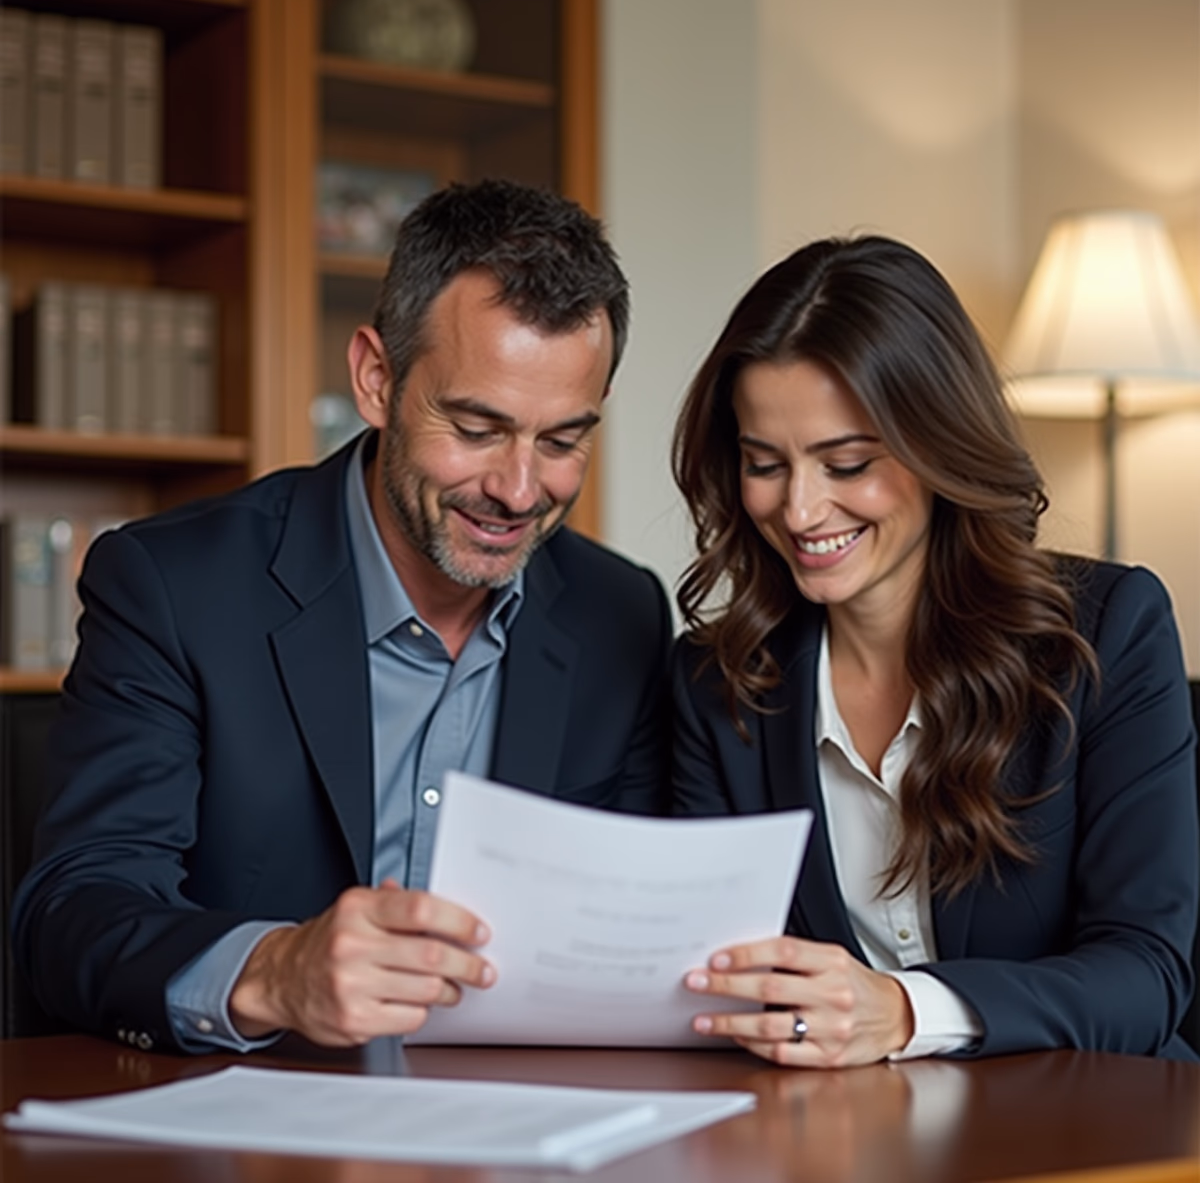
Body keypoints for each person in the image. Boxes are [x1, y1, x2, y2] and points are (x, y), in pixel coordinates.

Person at [13, 180, 673, 1054]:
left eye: (561, 441)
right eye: (476, 428)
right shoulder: (172, 586)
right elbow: (73, 913)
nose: (520, 491)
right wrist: (276, 971)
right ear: (376, 379)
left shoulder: (618, 614)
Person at [670, 234, 1198, 1065]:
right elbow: (702, 977)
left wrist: (906, 1012)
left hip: (1097, 1135)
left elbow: (1148, 974)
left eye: (846, 464)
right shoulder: (716, 684)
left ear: (937, 445)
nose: (802, 511)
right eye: (764, 464)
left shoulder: (1107, 630)